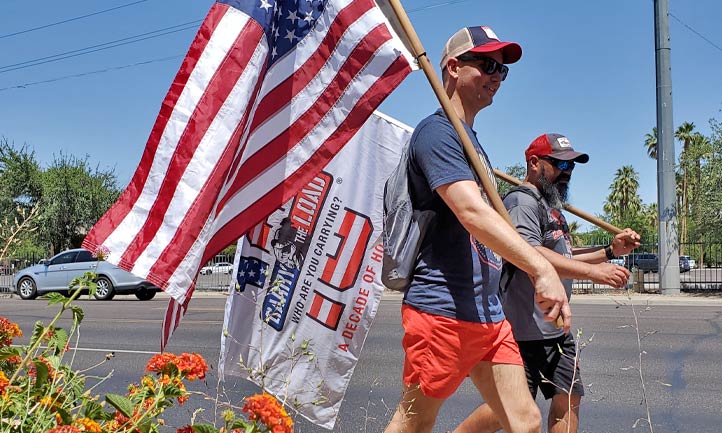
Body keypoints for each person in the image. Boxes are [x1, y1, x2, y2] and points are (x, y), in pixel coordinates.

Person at [383, 27, 572, 433]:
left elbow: (496, 230)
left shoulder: (472, 141)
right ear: (452, 66)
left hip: (488, 314)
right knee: (414, 424)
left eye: (502, 71)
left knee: (525, 421)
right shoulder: (437, 132)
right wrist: (543, 269)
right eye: (487, 64)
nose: (496, 76)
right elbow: (471, 211)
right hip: (442, 310)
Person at [454, 133, 641, 433]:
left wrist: (610, 251)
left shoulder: (550, 206)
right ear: (534, 163)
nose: (567, 173)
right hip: (522, 331)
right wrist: (596, 273)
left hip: (556, 330)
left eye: (571, 167)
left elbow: (566, 253)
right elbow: (528, 252)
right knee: (506, 411)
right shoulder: (520, 201)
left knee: (567, 400)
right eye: (559, 165)